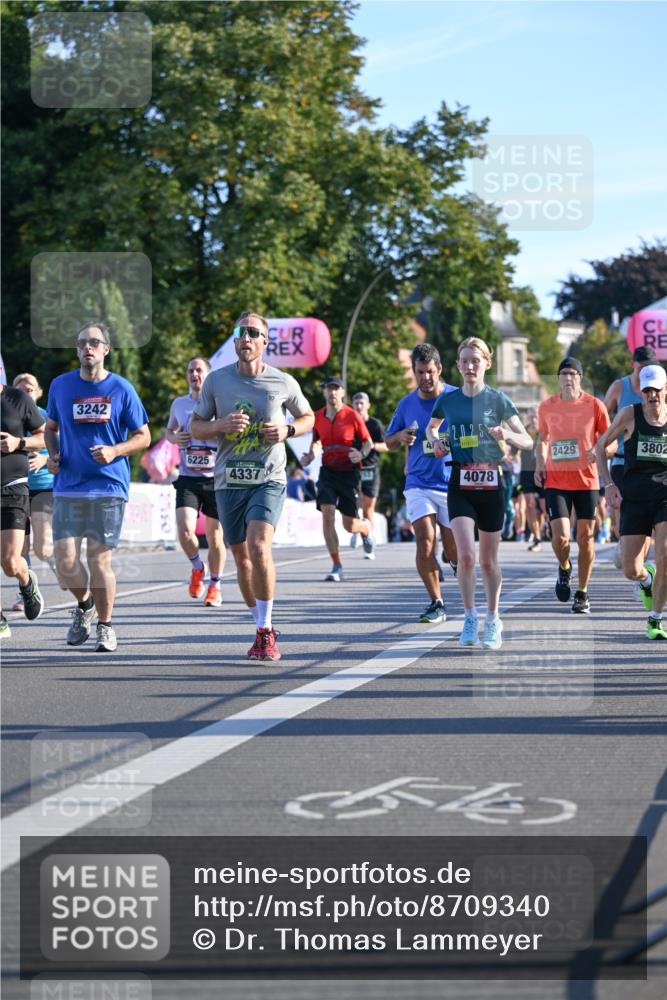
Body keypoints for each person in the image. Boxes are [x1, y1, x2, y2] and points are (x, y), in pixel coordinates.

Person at [190, 311, 314, 660]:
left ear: (264, 341)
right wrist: (221, 425)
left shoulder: (283, 382)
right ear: (234, 341)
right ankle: (258, 622)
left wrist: (288, 430)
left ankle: (265, 630)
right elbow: (196, 426)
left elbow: (308, 417)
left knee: (260, 547)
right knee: (242, 559)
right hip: (229, 481)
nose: (246, 338)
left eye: (253, 333)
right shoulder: (216, 381)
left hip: (269, 478)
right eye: (240, 332)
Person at [45, 322, 150, 652]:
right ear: (77, 350)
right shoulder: (61, 386)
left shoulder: (121, 389)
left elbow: (144, 436)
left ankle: (105, 626)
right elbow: (50, 427)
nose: (88, 348)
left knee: (99, 562)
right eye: (82, 343)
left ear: (106, 350)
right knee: (64, 563)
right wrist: (52, 455)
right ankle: (86, 605)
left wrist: (114, 451)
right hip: (69, 485)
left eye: (95, 343)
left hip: (108, 486)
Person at [427, 337, 532, 649]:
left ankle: (493, 618)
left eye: (476, 360)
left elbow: (527, 441)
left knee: (488, 561)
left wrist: (507, 434)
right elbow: (433, 428)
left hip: (491, 483)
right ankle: (470, 616)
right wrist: (436, 440)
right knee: (466, 556)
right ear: (458, 366)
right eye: (465, 361)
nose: (470, 366)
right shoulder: (448, 400)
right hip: (460, 481)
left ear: (487, 363)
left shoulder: (498, 400)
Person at [385, 343, 456, 622]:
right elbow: (388, 442)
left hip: (451, 483)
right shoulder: (406, 404)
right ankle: (436, 602)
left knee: (453, 550)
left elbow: (475, 434)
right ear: (414, 372)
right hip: (418, 484)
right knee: (425, 542)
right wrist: (401, 436)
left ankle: (454, 564)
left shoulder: (456, 398)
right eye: (419, 372)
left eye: (430, 372)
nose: (425, 378)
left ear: (439, 370)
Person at [596, 364, 667, 640]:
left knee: (664, 555)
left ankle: (655, 619)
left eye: (657, 390)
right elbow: (601, 447)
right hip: (635, 498)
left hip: (664, 497)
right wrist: (610, 485)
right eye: (647, 390)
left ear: (665, 390)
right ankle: (646, 580)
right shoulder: (629, 415)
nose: (652, 396)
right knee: (630, 570)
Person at [535, 357, 611, 615]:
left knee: (586, 538)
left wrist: (600, 450)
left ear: (580, 377)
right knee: (561, 537)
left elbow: (610, 442)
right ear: (558, 378)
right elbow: (543, 439)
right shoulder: (546, 407)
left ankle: (582, 592)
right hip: (556, 480)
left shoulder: (594, 405)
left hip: (587, 481)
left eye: (572, 373)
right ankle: (565, 566)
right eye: (563, 373)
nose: (568, 378)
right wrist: (539, 464)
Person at [300, 376, 375, 581]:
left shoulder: (352, 415)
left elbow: (368, 442)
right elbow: (316, 443)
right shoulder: (318, 417)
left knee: (349, 526)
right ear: (324, 392)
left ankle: (365, 528)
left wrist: (361, 454)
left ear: (342, 392)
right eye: (328, 389)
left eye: (336, 388)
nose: (332, 392)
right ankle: (336, 565)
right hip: (328, 472)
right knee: (327, 514)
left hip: (349, 473)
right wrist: (310, 456)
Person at [166, 357, 226, 607]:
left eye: (199, 370)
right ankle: (196, 566)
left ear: (208, 375)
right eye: (191, 370)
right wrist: (175, 438)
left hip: (215, 478)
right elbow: (169, 432)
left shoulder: (219, 403)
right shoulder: (179, 404)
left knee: (215, 537)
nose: (195, 374)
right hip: (189, 478)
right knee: (185, 530)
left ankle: (215, 585)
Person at [603, 345, 658, 567]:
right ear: (632, 365)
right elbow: (602, 415)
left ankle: (640, 566)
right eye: (641, 367)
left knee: (649, 520)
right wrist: (608, 437)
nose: (645, 371)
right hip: (622, 460)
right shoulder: (619, 387)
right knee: (620, 512)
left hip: (651, 464)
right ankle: (625, 542)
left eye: (649, 367)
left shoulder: (658, 388)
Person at [1, 381, 47, 637]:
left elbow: (44, 437)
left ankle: (27, 582)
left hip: (13, 488)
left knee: (9, 562)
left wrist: (18, 443)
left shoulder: (18, 399)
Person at [10, 373, 57, 612]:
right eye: (20, 389)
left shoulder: (47, 416)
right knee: (20, 548)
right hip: (15, 487)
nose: (25, 392)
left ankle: (60, 561)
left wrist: (43, 457)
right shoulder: (8, 413)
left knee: (42, 548)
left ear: (38, 393)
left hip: (43, 485)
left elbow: (60, 443)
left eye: (29, 389)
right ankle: (25, 591)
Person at [349, 392, 388, 548]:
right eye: (356, 403)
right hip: (353, 469)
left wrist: (372, 446)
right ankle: (355, 531)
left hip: (371, 469)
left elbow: (386, 446)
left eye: (361, 403)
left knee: (368, 509)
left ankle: (369, 539)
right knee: (354, 505)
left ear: (368, 405)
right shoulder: (349, 423)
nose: (359, 406)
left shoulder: (375, 424)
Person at [516, 407, 546, 551]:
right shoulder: (522, 432)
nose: (533, 420)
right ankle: (537, 538)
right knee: (529, 505)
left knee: (544, 507)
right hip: (527, 472)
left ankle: (544, 528)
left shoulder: (546, 431)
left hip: (544, 472)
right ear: (527, 418)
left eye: (535, 417)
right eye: (530, 417)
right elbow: (513, 450)